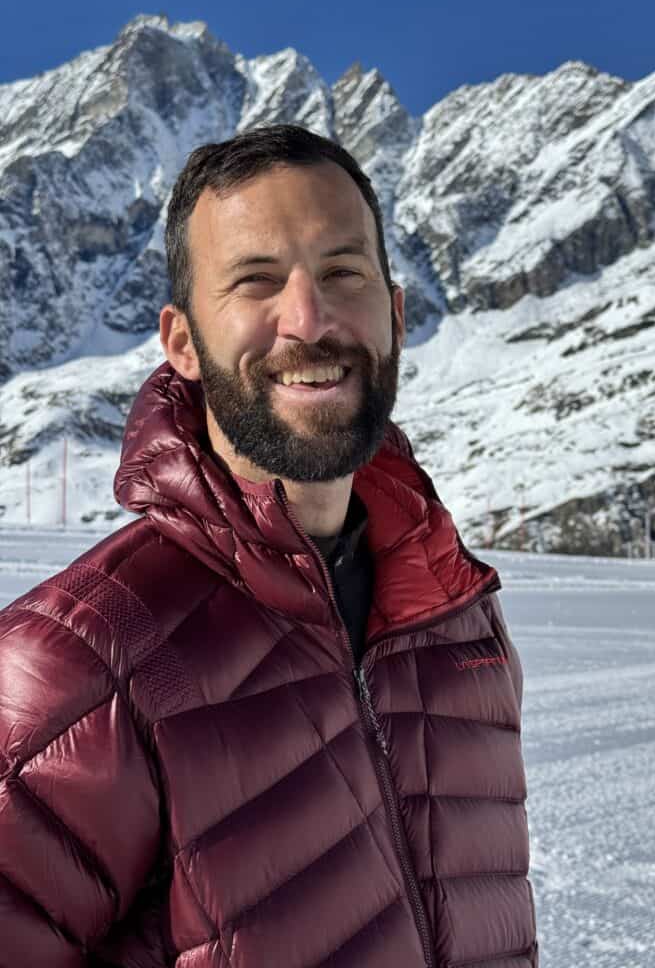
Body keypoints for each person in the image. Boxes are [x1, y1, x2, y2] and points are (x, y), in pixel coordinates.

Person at [0, 125, 537, 967]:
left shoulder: (455, 616)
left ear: (396, 315)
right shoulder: (80, 658)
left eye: (343, 272)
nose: (309, 319)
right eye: (256, 281)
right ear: (182, 341)